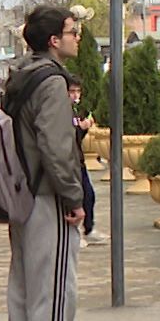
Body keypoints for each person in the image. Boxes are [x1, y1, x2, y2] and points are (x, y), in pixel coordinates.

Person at [4, 6, 97, 321]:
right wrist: (74, 199)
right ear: (54, 41)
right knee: (56, 294)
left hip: (19, 197)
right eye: (72, 32)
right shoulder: (53, 83)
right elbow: (58, 149)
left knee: (24, 292)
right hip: (47, 199)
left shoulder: (21, 75)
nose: (78, 38)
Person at [69, 80, 97, 244]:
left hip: (79, 160)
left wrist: (84, 127)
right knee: (78, 196)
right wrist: (81, 128)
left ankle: (89, 228)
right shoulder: (63, 111)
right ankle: (76, 232)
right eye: (72, 91)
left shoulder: (75, 110)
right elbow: (70, 136)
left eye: (78, 92)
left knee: (89, 195)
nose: (75, 95)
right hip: (71, 162)